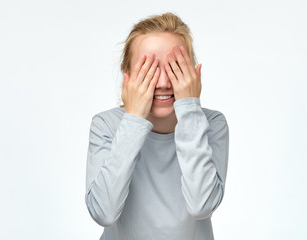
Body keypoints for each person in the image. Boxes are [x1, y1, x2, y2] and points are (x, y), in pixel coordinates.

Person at [85, 12, 229, 240]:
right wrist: (133, 119)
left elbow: (202, 206)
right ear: (128, 78)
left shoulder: (211, 124)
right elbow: (104, 213)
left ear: (192, 74)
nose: (162, 83)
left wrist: (190, 110)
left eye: (174, 68)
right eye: (149, 70)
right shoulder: (107, 125)